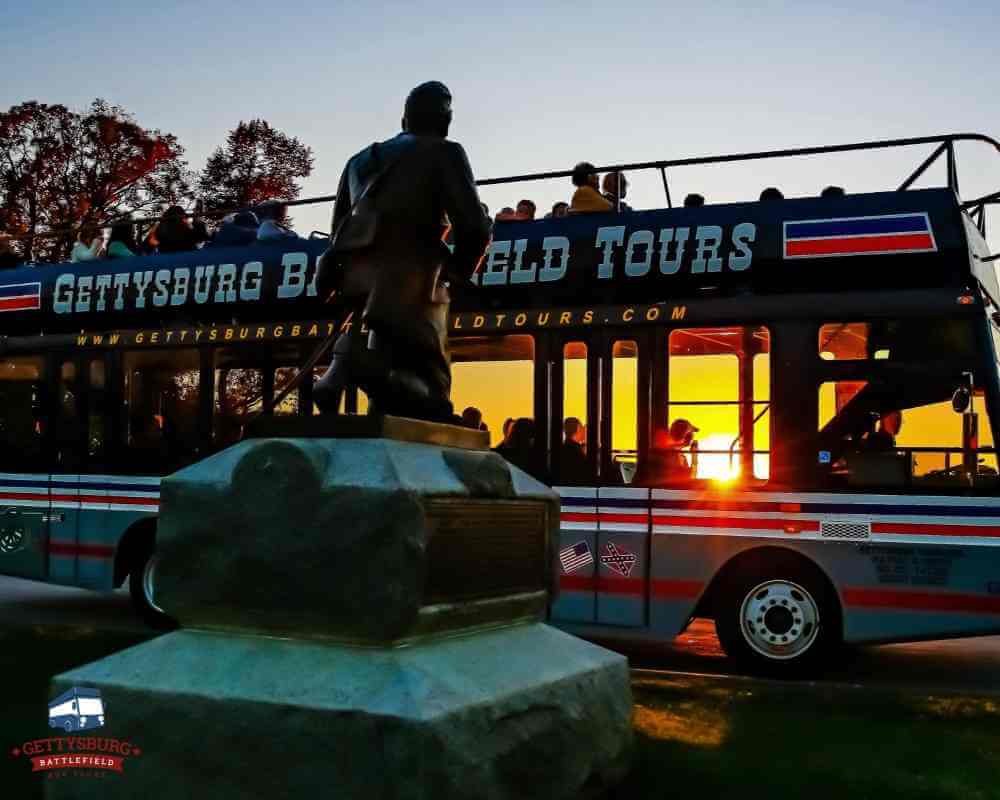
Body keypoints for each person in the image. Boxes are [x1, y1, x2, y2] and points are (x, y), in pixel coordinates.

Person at [314, 81, 492, 422]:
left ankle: (343, 367)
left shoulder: (359, 160)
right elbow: (473, 227)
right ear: (446, 119)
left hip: (360, 283)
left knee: (392, 399)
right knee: (435, 397)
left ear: (403, 119)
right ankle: (352, 361)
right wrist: (457, 273)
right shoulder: (445, 152)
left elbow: (339, 229)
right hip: (413, 276)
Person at [641, 419, 700, 484]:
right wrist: (694, 455)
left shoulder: (664, 451)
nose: (692, 438)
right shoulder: (673, 454)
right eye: (691, 435)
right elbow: (689, 478)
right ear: (688, 438)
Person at [560, 417, 590, 484]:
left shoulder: (565, 447)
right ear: (578, 428)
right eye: (582, 427)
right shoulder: (575, 451)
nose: (584, 430)